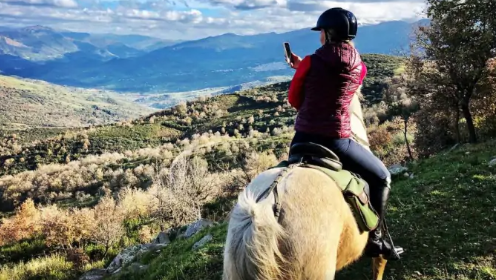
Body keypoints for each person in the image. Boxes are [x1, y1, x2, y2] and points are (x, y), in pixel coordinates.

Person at [285, 7, 404, 260]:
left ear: (327, 34)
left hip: (304, 138)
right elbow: (335, 87)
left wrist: (301, 68)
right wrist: (303, 68)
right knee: (381, 177)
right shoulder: (360, 67)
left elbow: (294, 99)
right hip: (337, 141)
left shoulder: (310, 61)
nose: (319, 37)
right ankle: (375, 240)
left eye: (321, 32)